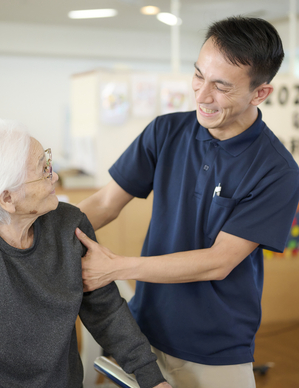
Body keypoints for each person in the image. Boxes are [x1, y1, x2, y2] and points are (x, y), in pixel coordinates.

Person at [76, 17, 299, 388]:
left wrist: (115, 267)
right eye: (199, 75)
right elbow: (105, 202)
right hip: (143, 335)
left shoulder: (277, 170)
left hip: (215, 349)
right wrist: (38, 235)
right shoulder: (166, 132)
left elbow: (218, 261)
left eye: (221, 87)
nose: (201, 95)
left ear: (259, 93)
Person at [0, 119, 172, 388]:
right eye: (42, 171)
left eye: (49, 163)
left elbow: (106, 311)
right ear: (7, 199)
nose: (54, 176)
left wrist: (151, 377)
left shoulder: (69, 225)